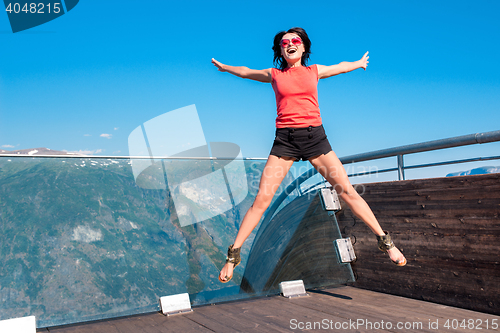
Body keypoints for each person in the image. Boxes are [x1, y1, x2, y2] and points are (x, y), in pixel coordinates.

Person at [212, 27, 406, 283]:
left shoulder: (314, 71)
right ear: (280, 50)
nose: (289, 44)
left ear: (303, 47)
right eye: (284, 43)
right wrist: (226, 68)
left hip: (316, 139)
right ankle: (233, 257)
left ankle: (387, 242)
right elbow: (247, 72)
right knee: (262, 200)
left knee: (347, 191)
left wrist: (359, 63)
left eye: (295, 41)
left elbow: (340, 66)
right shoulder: (274, 74)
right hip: (285, 142)